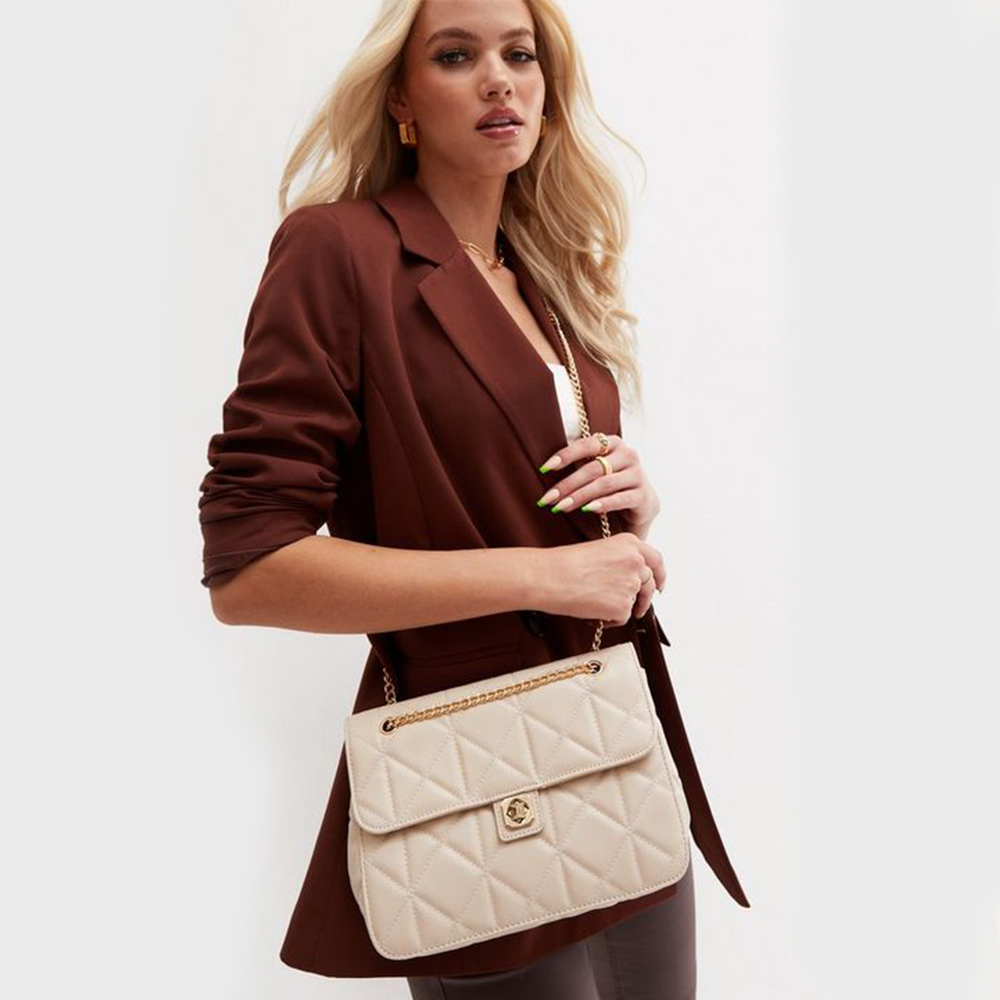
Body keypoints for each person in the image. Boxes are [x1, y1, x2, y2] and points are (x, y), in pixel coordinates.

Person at [197, 0, 750, 995]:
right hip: (476, 771)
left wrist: (623, 505)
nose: (499, 79)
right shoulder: (339, 252)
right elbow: (251, 567)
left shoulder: (541, 274)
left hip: (615, 739)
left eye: (520, 54)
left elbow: (502, 484)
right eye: (456, 56)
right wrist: (544, 574)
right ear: (401, 100)